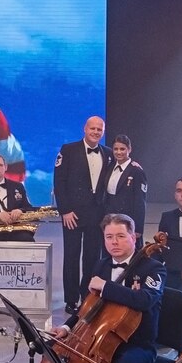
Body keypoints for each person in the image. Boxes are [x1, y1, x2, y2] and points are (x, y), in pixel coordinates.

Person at [41, 215, 166, 363]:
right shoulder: (101, 265)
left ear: (134, 236)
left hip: (136, 343)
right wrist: (67, 328)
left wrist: (107, 286)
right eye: (109, 237)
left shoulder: (154, 267)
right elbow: (87, 307)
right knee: (56, 349)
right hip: (97, 336)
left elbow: (145, 300)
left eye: (120, 236)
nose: (114, 242)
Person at [54, 116, 112, 317]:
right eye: (92, 128)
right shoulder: (68, 150)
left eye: (99, 129)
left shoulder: (109, 154)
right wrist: (65, 211)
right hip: (73, 214)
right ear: (84, 129)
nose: (96, 132)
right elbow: (59, 182)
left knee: (92, 257)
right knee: (71, 256)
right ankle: (70, 299)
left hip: (97, 215)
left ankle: (87, 295)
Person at [102, 136, 147, 236]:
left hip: (127, 221)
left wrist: (138, 228)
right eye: (115, 149)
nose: (118, 152)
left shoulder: (136, 171)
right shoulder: (109, 167)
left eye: (122, 149)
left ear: (129, 149)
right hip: (109, 220)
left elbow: (140, 202)